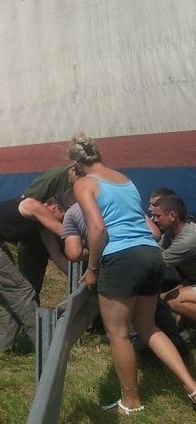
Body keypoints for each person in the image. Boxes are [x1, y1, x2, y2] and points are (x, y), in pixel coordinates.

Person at [72, 133, 196, 414]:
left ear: (76, 165)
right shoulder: (124, 180)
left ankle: (131, 402)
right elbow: (148, 226)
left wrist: (92, 268)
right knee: (148, 326)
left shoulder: (84, 184)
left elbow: (97, 229)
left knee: (118, 333)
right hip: (151, 255)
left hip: (121, 257)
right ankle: (192, 386)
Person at [0, 194, 68, 353]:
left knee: (11, 298)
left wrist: (79, 278)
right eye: (63, 218)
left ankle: (3, 350)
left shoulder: (41, 225)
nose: (61, 222)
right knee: (23, 293)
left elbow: (57, 256)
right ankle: (47, 350)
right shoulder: (33, 205)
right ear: (55, 207)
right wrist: (83, 238)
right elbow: (67, 233)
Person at [154, 195, 196, 325]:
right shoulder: (171, 232)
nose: (154, 220)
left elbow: (157, 261)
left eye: (158, 216)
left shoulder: (189, 239)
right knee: (162, 298)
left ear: (172, 216)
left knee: (173, 301)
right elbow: (157, 250)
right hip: (192, 279)